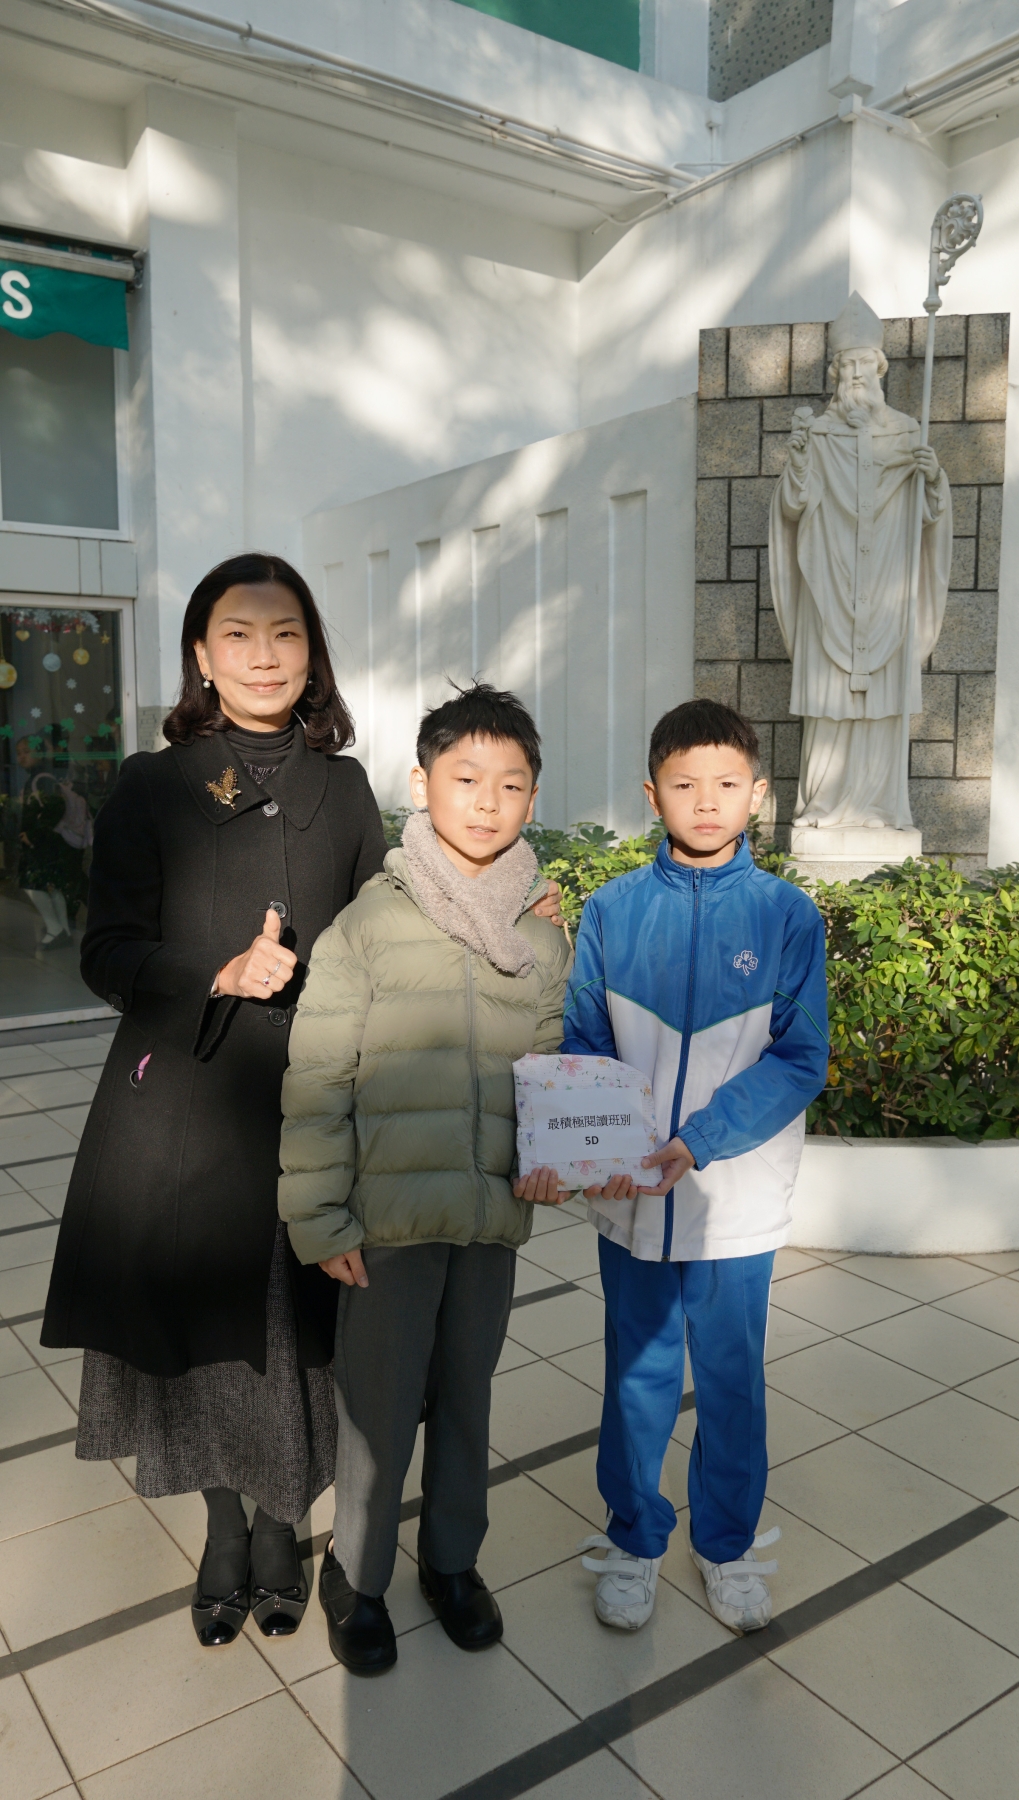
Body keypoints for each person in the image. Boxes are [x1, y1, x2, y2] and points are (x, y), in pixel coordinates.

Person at [278, 682, 573, 1676]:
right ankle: (355, 1574)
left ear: (532, 798)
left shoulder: (539, 933)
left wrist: (549, 1161)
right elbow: (317, 1078)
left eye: (510, 784)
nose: (487, 802)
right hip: (388, 1227)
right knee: (375, 1408)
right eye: (465, 778)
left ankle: (451, 1562)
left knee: (465, 1400)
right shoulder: (367, 926)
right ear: (420, 784)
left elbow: (546, 1064)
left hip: (487, 1217)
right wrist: (320, 1218)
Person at [560, 698, 829, 1635]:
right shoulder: (612, 911)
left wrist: (699, 1141)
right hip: (631, 1199)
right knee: (636, 1375)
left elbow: (800, 1058)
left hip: (734, 1199)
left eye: (725, 783)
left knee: (729, 1379)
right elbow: (583, 1041)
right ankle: (634, 1539)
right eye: (684, 785)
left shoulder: (786, 915)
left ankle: (725, 1544)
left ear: (757, 793)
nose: (705, 801)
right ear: (652, 795)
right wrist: (595, 1143)